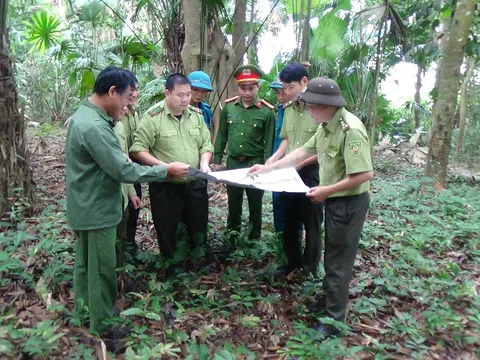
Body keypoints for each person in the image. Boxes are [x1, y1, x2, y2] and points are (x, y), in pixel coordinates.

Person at [66, 66, 189, 337]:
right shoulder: (95, 127)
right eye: (126, 98)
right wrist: (165, 171)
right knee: (102, 273)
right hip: (96, 211)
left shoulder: (85, 115)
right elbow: (123, 169)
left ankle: (84, 314)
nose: (127, 106)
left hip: (85, 206)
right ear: (111, 92)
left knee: (86, 267)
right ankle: (103, 329)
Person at [249, 77, 373, 337]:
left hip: (348, 202)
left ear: (323, 105)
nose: (306, 110)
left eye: (309, 106)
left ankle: (334, 321)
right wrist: (269, 167)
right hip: (336, 199)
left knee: (339, 261)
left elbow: (363, 175)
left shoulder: (349, 129)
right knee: (333, 257)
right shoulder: (326, 125)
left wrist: (326, 191)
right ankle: (329, 302)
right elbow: (303, 152)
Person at [130, 73, 213, 267]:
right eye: (180, 95)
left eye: (188, 94)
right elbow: (138, 150)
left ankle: (197, 263)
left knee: (198, 225)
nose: (185, 99)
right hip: (166, 186)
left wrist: (204, 164)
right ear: (167, 93)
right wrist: (166, 168)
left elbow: (206, 145)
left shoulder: (196, 116)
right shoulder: (152, 118)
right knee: (168, 229)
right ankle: (172, 267)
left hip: (195, 183)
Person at [267, 62, 322, 277]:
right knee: (290, 219)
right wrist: (273, 159)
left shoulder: (319, 109)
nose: (286, 93)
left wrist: (301, 164)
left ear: (304, 82)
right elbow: (286, 141)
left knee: (312, 222)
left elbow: (326, 147)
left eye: (290, 88)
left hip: (313, 172)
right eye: (284, 88)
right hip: (289, 171)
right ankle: (291, 263)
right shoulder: (289, 109)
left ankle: (309, 268)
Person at [212, 64, 275, 241]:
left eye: (251, 88)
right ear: (238, 88)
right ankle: (232, 237)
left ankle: (254, 239)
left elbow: (269, 142)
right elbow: (222, 134)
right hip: (233, 163)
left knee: (255, 203)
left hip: (255, 163)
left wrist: (267, 166)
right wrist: (218, 159)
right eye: (243, 88)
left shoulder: (266, 111)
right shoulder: (230, 108)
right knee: (234, 202)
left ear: (257, 87)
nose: (247, 92)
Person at [115, 82, 142, 258]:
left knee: (134, 209)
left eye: (136, 89)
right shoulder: (115, 115)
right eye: (130, 90)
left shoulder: (134, 111)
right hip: (120, 168)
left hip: (134, 166)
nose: (134, 94)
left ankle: (129, 243)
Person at [269, 75, 288, 234]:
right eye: (277, 92)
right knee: (277, 199)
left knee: (292, 203)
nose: (280, 96)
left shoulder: (301, 110)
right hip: (276, 162)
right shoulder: (281, 109)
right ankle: (279, 236)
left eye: (283, 92)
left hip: (293, 164)